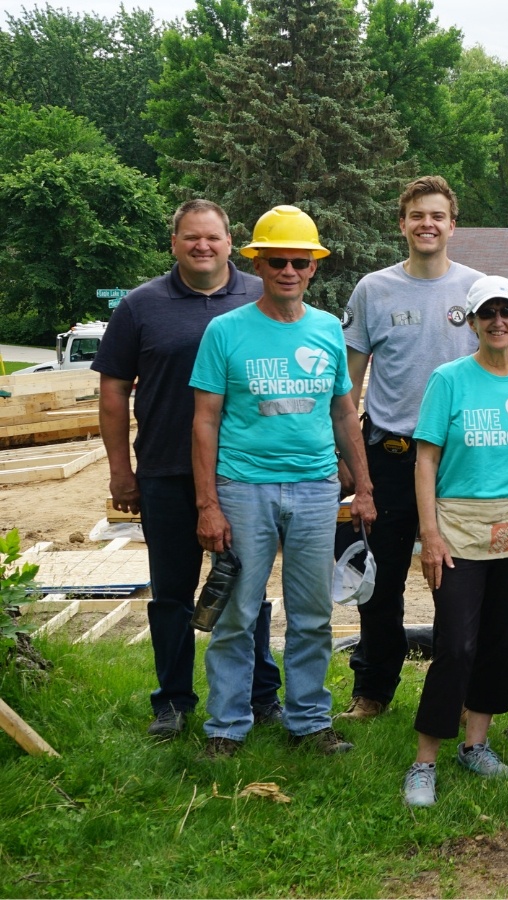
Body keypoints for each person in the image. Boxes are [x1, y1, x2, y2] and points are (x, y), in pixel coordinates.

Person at [190, 205, 376, 759]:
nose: (288, 270)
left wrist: (362, 488)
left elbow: (345, 413)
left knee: (312, 613)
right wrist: (208, 505)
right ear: (260, 264)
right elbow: (204, 420)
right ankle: (226, 727)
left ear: (314, 268)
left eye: (299, 261)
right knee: (237, 613)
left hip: (317, 487)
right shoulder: (225, 331)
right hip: (244, 488)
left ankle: (310, 721)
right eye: (277, 261)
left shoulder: (325, 330)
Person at [93, 199, 283, 738]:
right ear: (174, 242)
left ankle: (260, 694)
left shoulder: (259, 294)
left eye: (213, 238)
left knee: (248, 591)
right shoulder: (140, 306)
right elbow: (112, 394)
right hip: (167, 470)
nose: (203, 246)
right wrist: (120, 470)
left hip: (246, 471)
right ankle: (173, 700)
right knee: (172, 591)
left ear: (230, 242)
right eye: (191, 237)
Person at [402, 276, 508, 808]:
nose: (498, 322)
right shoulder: (449, 380)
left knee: (498, 641)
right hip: (460, 532)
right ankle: (425, 760)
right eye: (487, 313)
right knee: (456, 645)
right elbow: (426, 459)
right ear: (472, 322)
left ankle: (476, 744)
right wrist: (429, 534)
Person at [340, 175, 482, 722]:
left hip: (460, 463)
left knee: (459, 586)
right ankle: (373, 690)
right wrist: (352, 465)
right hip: (392, 456)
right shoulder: (374, 290)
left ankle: (455, 691)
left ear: (453, 225)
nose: (427, 224)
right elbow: (349, 388)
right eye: (417, 215)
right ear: (402, 224)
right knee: (380, 585)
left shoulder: (475, 290)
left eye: (438, 216)